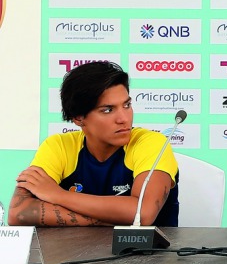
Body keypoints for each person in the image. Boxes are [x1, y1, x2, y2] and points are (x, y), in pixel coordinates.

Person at [8, 61, 179, 227]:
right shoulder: (58, 145)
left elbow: (142, 213)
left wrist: (58, 195)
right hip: (70, 253)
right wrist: (112, 219)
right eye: (107, 110)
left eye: (127, 105)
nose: (124, 119)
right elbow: (19, 214)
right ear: (78, 118)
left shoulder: (151, 142)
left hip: (147, 254)